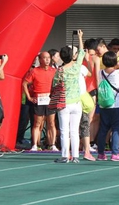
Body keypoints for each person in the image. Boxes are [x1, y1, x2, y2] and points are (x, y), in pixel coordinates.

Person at [53, 30, 86, 163]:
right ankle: (76, 156)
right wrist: (80, 37)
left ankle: (65, 156)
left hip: (63, 103)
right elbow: (82, 52)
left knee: (64, 130)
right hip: (77, 103)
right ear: (72, 56)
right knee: (74, 131)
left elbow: (55, 85)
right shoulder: (77, 66)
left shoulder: (60, 70)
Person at [96, 50, 119, 161]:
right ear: (115, 62)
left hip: (104, 105)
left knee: (103, 129)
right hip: (117, 105)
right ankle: (115, 153)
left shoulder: (100, 73)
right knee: (116, 129)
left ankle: (101, 154)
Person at [23, 51, 58, 151]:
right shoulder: (34, 71)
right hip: (39, 99)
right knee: (37, 123)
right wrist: (29, 97)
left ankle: (52, 145)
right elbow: (24, 83)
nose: (47, 60)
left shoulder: (54, 71)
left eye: (48, 58)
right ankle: (35, 145)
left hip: (50, 100)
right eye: (44, 58)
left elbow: (58, 84)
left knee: (51, 123)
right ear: (40, 59)